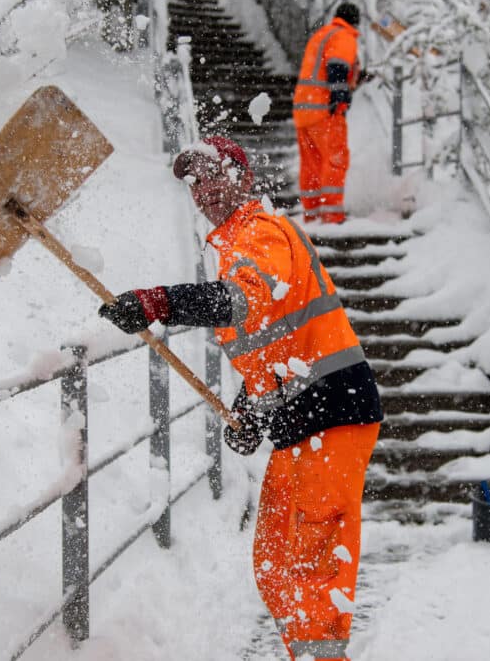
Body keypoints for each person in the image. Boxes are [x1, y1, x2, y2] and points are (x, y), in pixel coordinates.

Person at [98, 135, 382, 661]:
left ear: (242, 180)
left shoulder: (261, 232)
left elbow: (243, 302)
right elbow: (272, 349)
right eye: (193, 182)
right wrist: (252, 411)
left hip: (334, 411)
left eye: (210, 175)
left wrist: (161, 302)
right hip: (300, 421)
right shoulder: (232, 247)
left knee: (313, 562)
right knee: (275, 562)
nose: (201, 190)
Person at [293, 2, 362, 225]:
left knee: (311, 164)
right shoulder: (344, 36)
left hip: (304, 109)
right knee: (335, 159)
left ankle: (312, 214)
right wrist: (340, 98)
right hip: (325, 110)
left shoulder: (321, 34)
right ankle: (332, 214)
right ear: (355, 22)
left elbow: (323, 68)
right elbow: (337, 67)